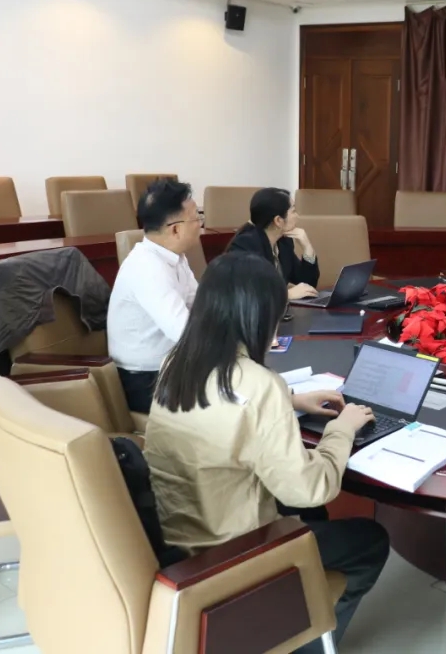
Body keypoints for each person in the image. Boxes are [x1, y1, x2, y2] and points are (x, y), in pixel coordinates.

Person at [144, 252, 389, 649]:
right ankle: (305, 643)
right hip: (233, 553)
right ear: (259, 317)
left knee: (310, 516)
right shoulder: (259, 384)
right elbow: (310, 488)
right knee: (370, 540)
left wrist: (291, 400)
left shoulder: (176, 361)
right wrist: (341, 430)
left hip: (175, 538)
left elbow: (221, 408)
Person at [108, 180, 202, 412]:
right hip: (146, 380)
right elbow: (185, 333)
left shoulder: (175, 257)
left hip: (174, 366)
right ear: (175, 229)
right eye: (196, 218)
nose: (200, 225)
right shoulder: (146, 268)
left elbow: (201, 304)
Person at [227, 187, 320, 300]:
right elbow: (249, 294)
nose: (298, 216)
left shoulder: (284, 242)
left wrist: (307, 248)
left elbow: (307, 285)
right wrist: (287, 295)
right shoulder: (246, 245)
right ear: (278, 221)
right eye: (293, 211)